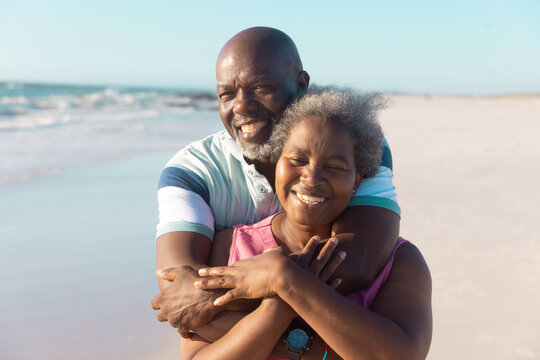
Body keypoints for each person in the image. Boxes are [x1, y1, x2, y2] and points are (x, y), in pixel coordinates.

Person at [151, 27, 401, 338]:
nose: (241, 106)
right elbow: (181, 294)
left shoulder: (356, 147)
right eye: (226, 94)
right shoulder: (191, 171)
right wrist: (281, 288)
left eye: (260, 87)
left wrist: (275, 277)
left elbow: (358, 261)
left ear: (301, 85)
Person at [180, 88, 432, 359]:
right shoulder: (230, 246)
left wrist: (287, 279)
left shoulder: (400, 261)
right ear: (276, 163)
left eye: (334, 167)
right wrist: (278, 308)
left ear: (357, 180)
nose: (311, 178)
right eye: (297, 160)